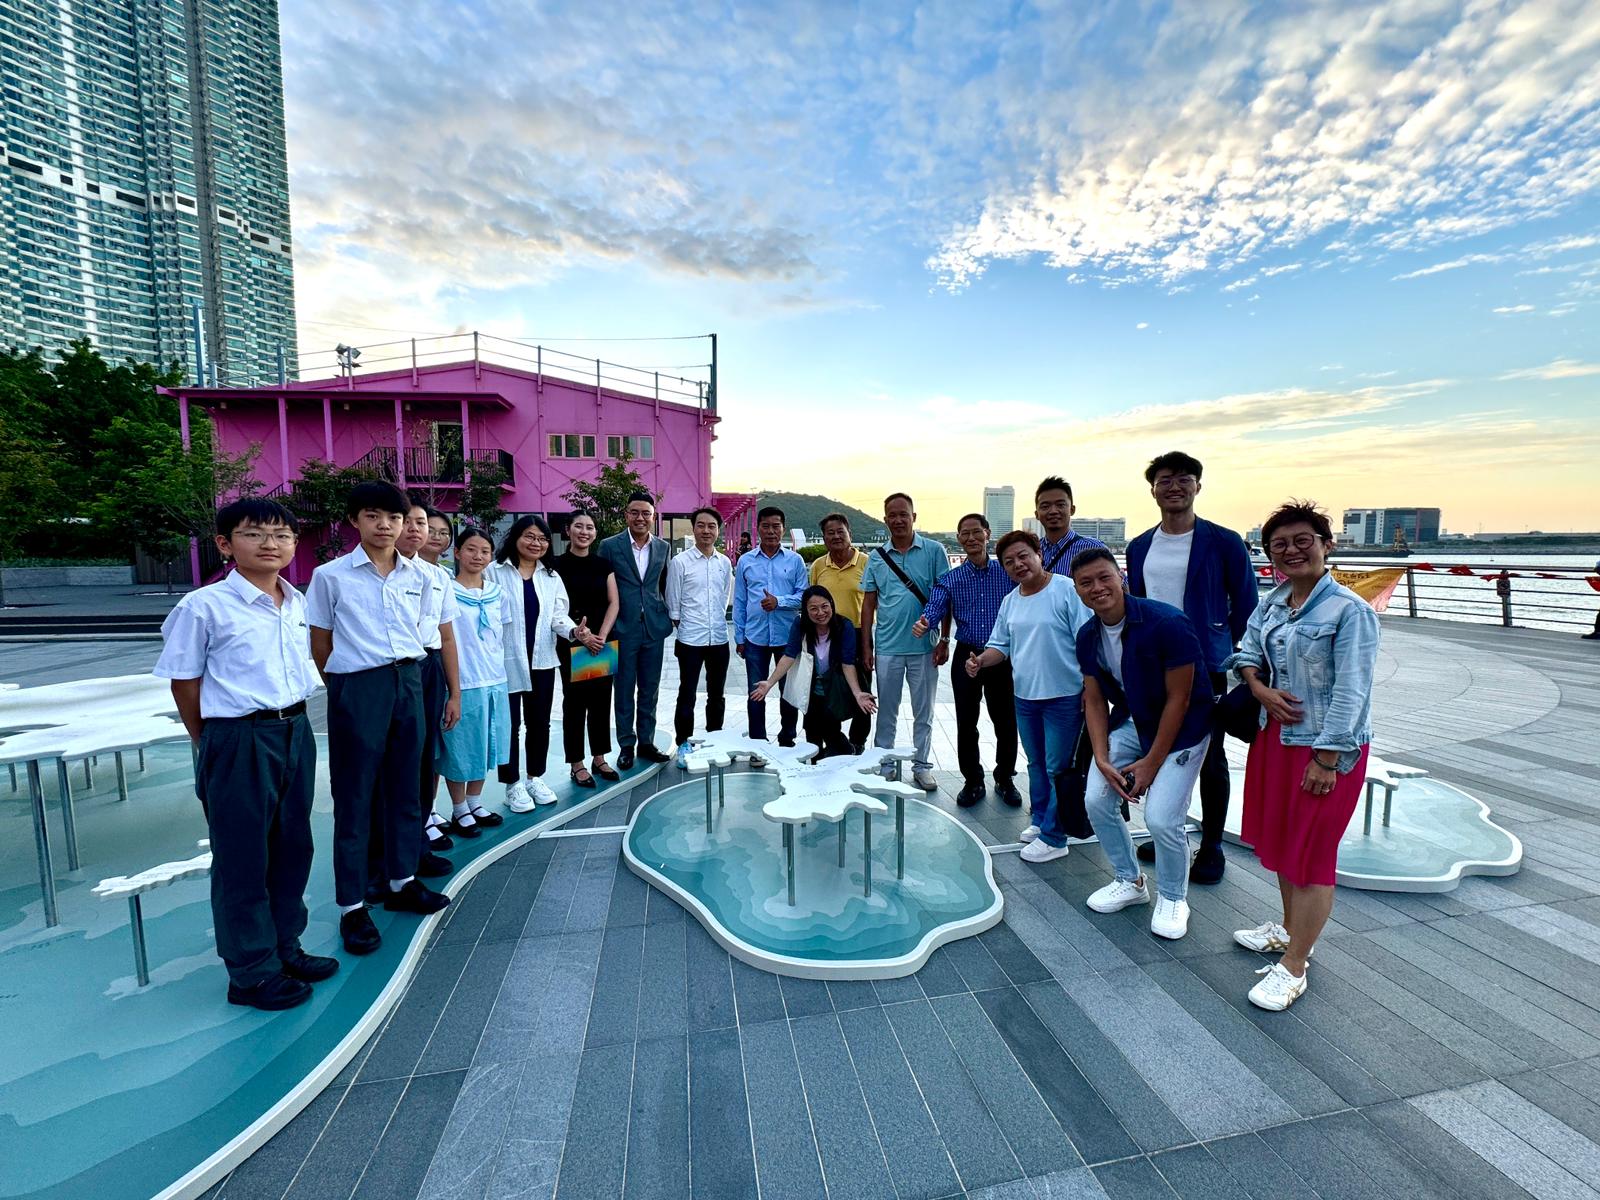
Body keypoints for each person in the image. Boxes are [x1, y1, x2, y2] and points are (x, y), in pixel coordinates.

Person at [155, 497, 334, 1010]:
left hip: (294, 729)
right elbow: (184, 682)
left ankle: (284, 947)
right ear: (225, 544)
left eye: (281, 535)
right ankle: (251, 973)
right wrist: (212, 740)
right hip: (238, 736)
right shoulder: (203, 607)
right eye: (254, 533)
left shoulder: (295, 601)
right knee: (243, 857)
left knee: (293, 846)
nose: (270, 544)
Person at [1226, 501, 1380, 1011]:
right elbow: (1245, 653)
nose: (1291, 551)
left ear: (1325, 545)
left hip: (1324, 749)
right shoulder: (1272, 603)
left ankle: (1295, 965)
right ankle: (1292, 932)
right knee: (1284, 842)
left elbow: (1353, 693)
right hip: (1275, 739)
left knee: (1312, 856)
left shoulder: (1350, 611)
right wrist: (1259, 688)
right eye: (1280, 544)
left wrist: (1328, 758)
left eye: (1302, 540)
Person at [307, 481, 449, 958]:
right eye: (373, 515)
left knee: (408, 787)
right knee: (355, 796)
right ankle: (352, 905)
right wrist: (347, 688)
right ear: (354, 521)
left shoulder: (421, 575)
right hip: (358, 685)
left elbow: (424, 631)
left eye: (394, 517)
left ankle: (402, 880)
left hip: (409, 679)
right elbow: (321, 643)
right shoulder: (330, 577)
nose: (385, 525)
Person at [1125, 451, 1258, 884]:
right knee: (1162, 749)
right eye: (1165, 480)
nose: (1175, 487)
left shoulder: (1224, 541)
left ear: (1198, 486)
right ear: (1153, 490)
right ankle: (1170, 832)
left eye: (1184, 479)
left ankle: (1212, 845)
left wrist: (1226, 645)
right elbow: (1137, 605)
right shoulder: (1140, 546)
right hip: (1154, 666)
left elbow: (1248, 605)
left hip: (1206, 665)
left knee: (1210, 756)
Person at [1072, 546, 1215, 941]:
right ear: (1077, 590)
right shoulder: (1088, 635)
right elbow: (1094, 700)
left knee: (1162, 818)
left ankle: (1173, 896)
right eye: (1085, 583)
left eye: (1104, 577)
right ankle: (1130, 880)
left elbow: (1180, 699)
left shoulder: (1167, 623)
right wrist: (1101, 757)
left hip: (1184, 728)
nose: (1097, 588)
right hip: (1133, 721)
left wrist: (1151, 763)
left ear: (1121, 578)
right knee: (1096, 799)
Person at [963, 531, 1091, 862]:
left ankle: (1055, 837)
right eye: (1009, 562)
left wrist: (1091, 687)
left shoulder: (1065, 589)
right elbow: (1000, 645)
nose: (1018, 564)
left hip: (1064, 695)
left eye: (1023, 556)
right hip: (1025, 696)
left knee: (1057, 767)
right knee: (1036, 763)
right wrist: (980, 660)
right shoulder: (1011, 600)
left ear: (1039, 554)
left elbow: (1088, 640)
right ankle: (1041, 819)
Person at [913, 513, 1020, 807]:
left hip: (1002, 655)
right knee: (966, 720)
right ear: (959, 538)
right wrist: (926, 622)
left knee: (1005, 720)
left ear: (987, 534)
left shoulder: (1007, 573)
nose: (971, 538)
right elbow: (936, 604)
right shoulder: (951, 578)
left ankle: (1005, 778)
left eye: (976, 532)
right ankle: (973, 781)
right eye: (965, 534)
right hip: (968, 653)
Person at [861, 492, 947, 791]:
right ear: (885, 519)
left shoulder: (934, 550)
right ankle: (885, 764)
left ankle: (922, 766)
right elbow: (869, 604)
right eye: (892, 515)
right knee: (887, 711)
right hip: (887, 646)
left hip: (925, 647)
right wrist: (867, 646)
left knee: (924, 712)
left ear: (914, 517)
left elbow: (944, 596)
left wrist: (944, 638)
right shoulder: (877, 557)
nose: (898, 520)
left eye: (904, 514)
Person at [491, 514, 577, 811]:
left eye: (542, 538)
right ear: (515, 537)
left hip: (541, 660)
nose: (536, 543)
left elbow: (558, 616)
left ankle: (534, 777)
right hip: (505, 661)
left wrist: (574, 631)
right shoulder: (495, 572)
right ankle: (512, 784)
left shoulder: (551, 577)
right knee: (509, 724)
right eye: (529, 536)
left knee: (539, 722)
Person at [396, 503, 460, 875]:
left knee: (423, 757)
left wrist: (455, 693)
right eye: (410, 522)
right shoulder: (342, 575)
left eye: (425, 524)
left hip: (429, 666)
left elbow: (446, 637)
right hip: (388, 673)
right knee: (392, 764)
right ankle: (387, 859)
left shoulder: (436, 576)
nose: (418, 531)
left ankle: (417, 842)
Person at [437, 527, 516, 828]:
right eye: (471, 549)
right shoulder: (447, 591)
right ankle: (459, 809)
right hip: (464, 681)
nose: (478, 556)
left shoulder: (498, 593)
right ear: (457, 553)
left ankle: (475, 802)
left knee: (487, 743)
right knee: (460, 747)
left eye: (484, 551)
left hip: (495, 679)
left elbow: (502, 636)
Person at [750, 586, 877, 757]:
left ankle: (844, 755)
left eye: (825, 606)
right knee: (812, 736)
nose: (820, 613)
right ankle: (816, 766)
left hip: (834, 689)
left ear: (831, 604)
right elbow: (789, 655)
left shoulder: (844, 625)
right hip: (811, 689)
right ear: (806, 610)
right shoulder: (800, 624)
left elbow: (847, 663)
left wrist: (857, 693)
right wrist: (769, 683)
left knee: (832, 733)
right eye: (813, 608)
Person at [598, 492, 673, 766]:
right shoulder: (609, 546)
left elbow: (663, 584)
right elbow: (601, 586)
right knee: (624, 689)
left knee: (650, 689)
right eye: (635, 512)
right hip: (622, 628)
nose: (640, 518)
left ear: (653, 517)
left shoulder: (663, 547)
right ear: (626, 514)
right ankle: (626, 745)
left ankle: (647, 742)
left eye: (646, 513)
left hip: (653, 629)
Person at [552, 511, 621, 787]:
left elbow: (614, 602)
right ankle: (576, 763)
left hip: (602, 642)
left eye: (590, 527)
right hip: (573, 642)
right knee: (575, 704)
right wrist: (583, 637)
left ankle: (599, 758)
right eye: (578, 526)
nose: (584, 531)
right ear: (568, 530)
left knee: (601, 701)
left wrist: (600, 636)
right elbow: (555, 608)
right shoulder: (556, 565)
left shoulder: (603, 565)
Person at [733, 505, 809, 749]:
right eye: (765, 526)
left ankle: (787, 740)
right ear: (758, 529)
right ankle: (758, 742)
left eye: (776, 526)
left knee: (788, 692)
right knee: (756, 692)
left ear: (783, 529)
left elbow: (804, 597)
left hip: (787, 637)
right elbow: (740, 601)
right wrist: (739, 637)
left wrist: (779, 602)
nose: (771, 531)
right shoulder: (745, 561)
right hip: (755, 637)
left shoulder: (795, 561)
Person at [666, 506, 733, 766]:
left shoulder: (724, 563)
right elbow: (673, 602)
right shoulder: (680, 562)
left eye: (712, 526)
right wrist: (686, 624)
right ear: (693, 529)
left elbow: (724, 597)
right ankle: (684, 742)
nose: (706, 530)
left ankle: (715, 740)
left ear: (718, 530)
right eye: (701, 525)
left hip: (718, 638)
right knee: (687, 693)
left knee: (717, 694)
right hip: (690, 640)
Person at [810, 512, 872, 752]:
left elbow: (874, 602)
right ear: (824, 538)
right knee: (827, 688)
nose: (836, 536)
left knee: (862, 688)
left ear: (850, 534)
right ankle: (835, 742)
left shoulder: (867, 562)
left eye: (840, 532)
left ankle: (858, 741)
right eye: (830, 533)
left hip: (858, 634)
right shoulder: (818, 566)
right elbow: (811, 600)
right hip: (826, 635)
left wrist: (867, 645)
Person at [1034, 475, 1108, 578]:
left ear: (1072, 510)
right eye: (1045, 506)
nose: (1053, 511)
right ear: (1037, 514)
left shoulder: (1094, 549)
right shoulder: (1031, 551)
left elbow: (1120, 585)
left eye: (1060, 505)